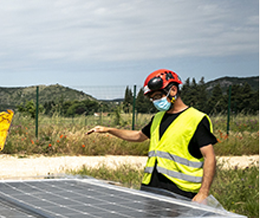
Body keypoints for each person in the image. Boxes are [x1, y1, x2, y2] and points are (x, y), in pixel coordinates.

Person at [86, 69, 217, 203]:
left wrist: (203, 192)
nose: (155, 101)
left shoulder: (196, 119)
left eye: (158, 96)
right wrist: (109, 130)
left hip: (181, 191)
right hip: (152, 186)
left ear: (173, 90)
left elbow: (209, 157)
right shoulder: (157, 118)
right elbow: (138, 136)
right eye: (152, 98)